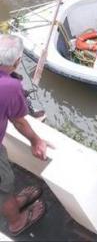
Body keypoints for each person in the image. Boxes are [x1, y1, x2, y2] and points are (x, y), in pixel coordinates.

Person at [0, 35, 49, 236]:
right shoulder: (9, 87)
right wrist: (36, 141)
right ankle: (17, 221)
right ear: (18, 61)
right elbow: (19, 120)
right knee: (3, 185)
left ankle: (14, 202)